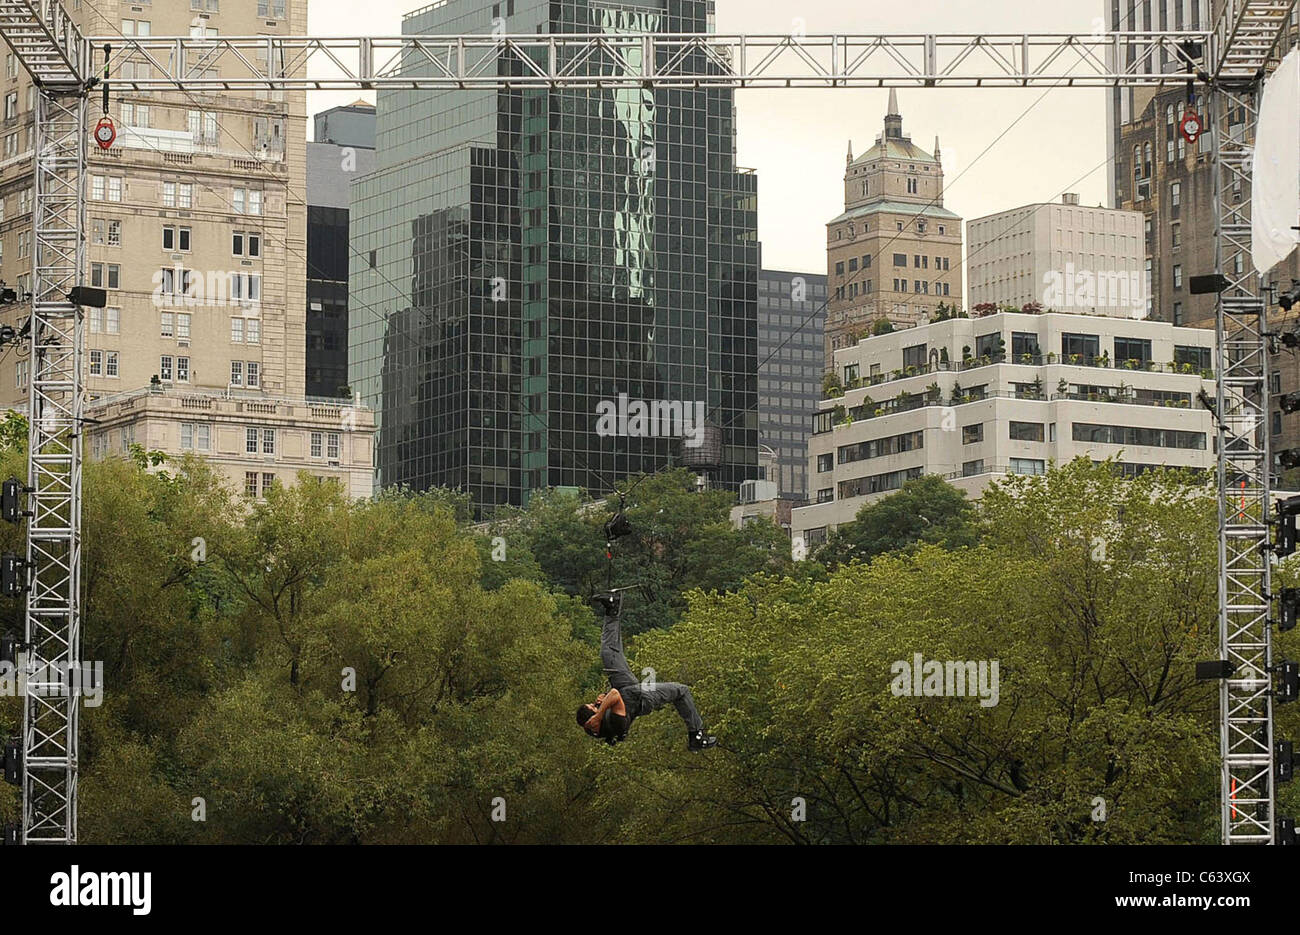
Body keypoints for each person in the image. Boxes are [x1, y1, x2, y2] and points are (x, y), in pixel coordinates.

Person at [576, 591, 717, 751]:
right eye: (594, 707)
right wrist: (600, 712)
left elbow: (593, 721)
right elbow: (614, 695)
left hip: (624, 686)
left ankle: (612, 608)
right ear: (595, 719)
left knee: (607, 652)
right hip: (642, 696)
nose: (596, 705)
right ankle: (696, 735)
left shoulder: (594, 727)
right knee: (682, 690)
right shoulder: (615, 723)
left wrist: (600, 705)